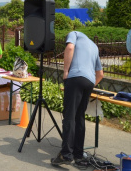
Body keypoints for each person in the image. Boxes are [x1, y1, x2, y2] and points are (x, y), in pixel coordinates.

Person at [51, 31, 104, 167]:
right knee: (79, 117)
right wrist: (88, 84)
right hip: (90, 81)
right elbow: (100, 74)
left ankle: (66, 154)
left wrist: (66, 71)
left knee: (69, 116)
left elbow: (69, 48)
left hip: (75, 77)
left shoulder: (74, 33)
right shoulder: (94, 46)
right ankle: (78, 155)